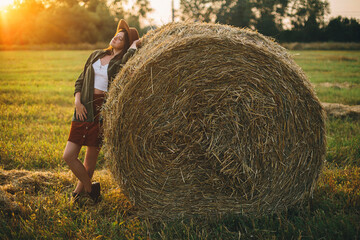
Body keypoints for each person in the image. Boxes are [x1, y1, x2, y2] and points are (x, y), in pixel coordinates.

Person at [63, 19, 140, 203]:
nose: (116, 38)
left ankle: (76, 195)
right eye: (116, 35)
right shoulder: (96, 55)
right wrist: (77, 102)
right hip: (84, 107)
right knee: (69, 156)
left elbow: (126, 65)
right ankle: (91, 189)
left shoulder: (121, 61)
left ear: (127, 44)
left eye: (121, 38)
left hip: (102, 112)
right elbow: (80, 80)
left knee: (90, 161)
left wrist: (134, 47)